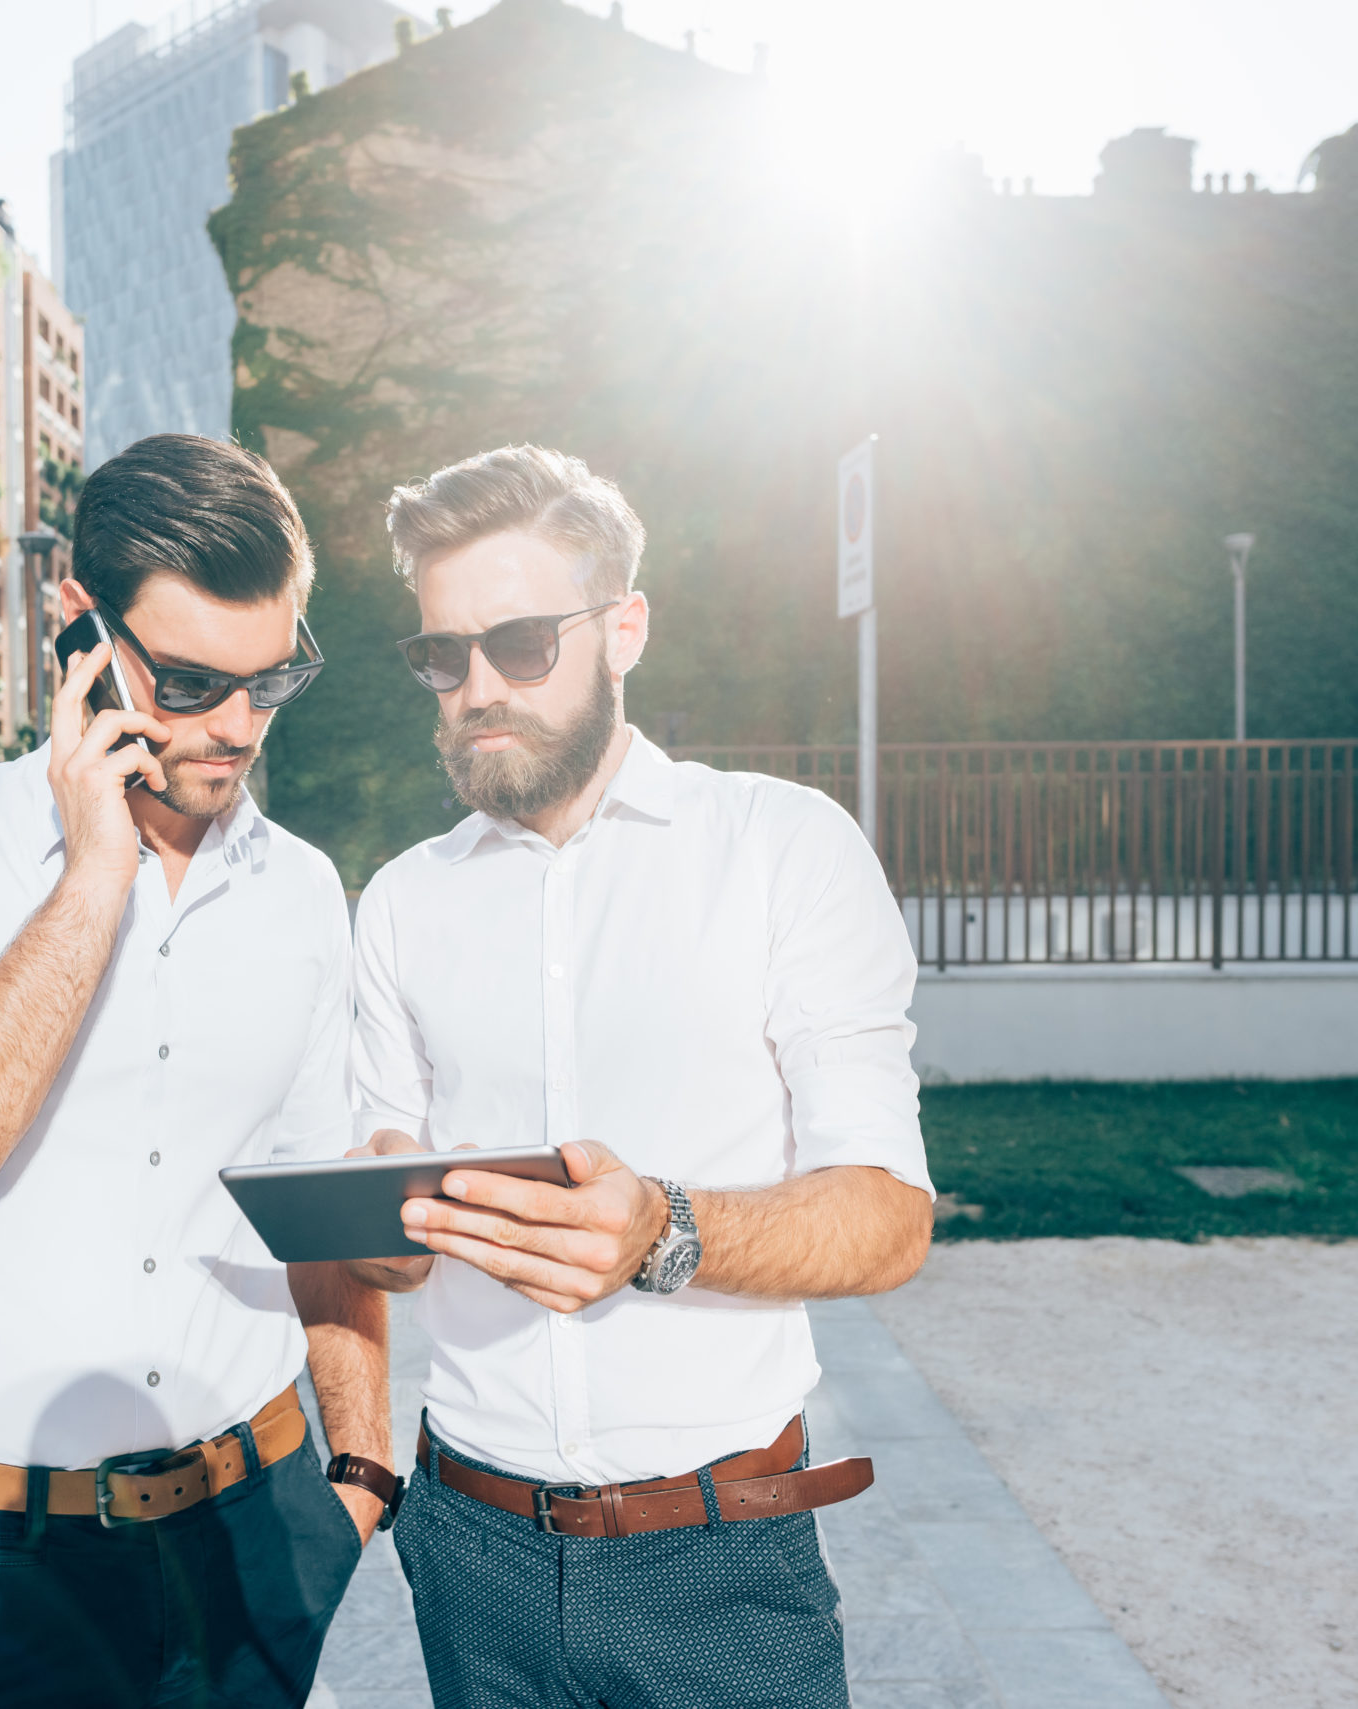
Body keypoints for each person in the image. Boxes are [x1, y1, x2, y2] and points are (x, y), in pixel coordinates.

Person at [0, 434, 395, 1709]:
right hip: (2, 1575)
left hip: (262, 1531)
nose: (236, 726)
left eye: (272, 675)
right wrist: (94, 874)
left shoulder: (299, 890)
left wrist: (359, 1475)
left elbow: (315, 1206)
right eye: (186, 680)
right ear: (80, 629)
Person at [346, 445, 937, 1709]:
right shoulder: (400, 903)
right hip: (469, 1548)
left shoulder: (781, 849)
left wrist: (661, 1228)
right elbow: (389, 1214)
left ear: (623, 629)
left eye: (517, 642)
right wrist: (373, 1225)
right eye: (442, 655)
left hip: (720, 1550)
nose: (475, 687)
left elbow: (887, 1216)